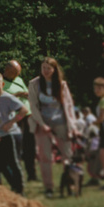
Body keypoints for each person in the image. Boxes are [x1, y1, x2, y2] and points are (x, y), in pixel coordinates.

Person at [30, 57, 77, 197]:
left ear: (54, 70)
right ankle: (49, 187)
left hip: (61, 122)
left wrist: (73, 126)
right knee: (45, 156)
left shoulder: (62, 85)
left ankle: (71, 184)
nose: (45, 71)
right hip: (42, 123)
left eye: (48, 68)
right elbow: (33, 106)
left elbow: (68, 106)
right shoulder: (34, 84)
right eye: (43, 68)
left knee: (67, 155)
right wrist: (42, 124)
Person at [0, 71, 31, 196]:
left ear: (2, 84)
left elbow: (24, 110)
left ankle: (20, 190)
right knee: (0, 164)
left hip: (10, 133)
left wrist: (11, 123)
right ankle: (14, 186)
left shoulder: (7, 97)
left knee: (13, 162)